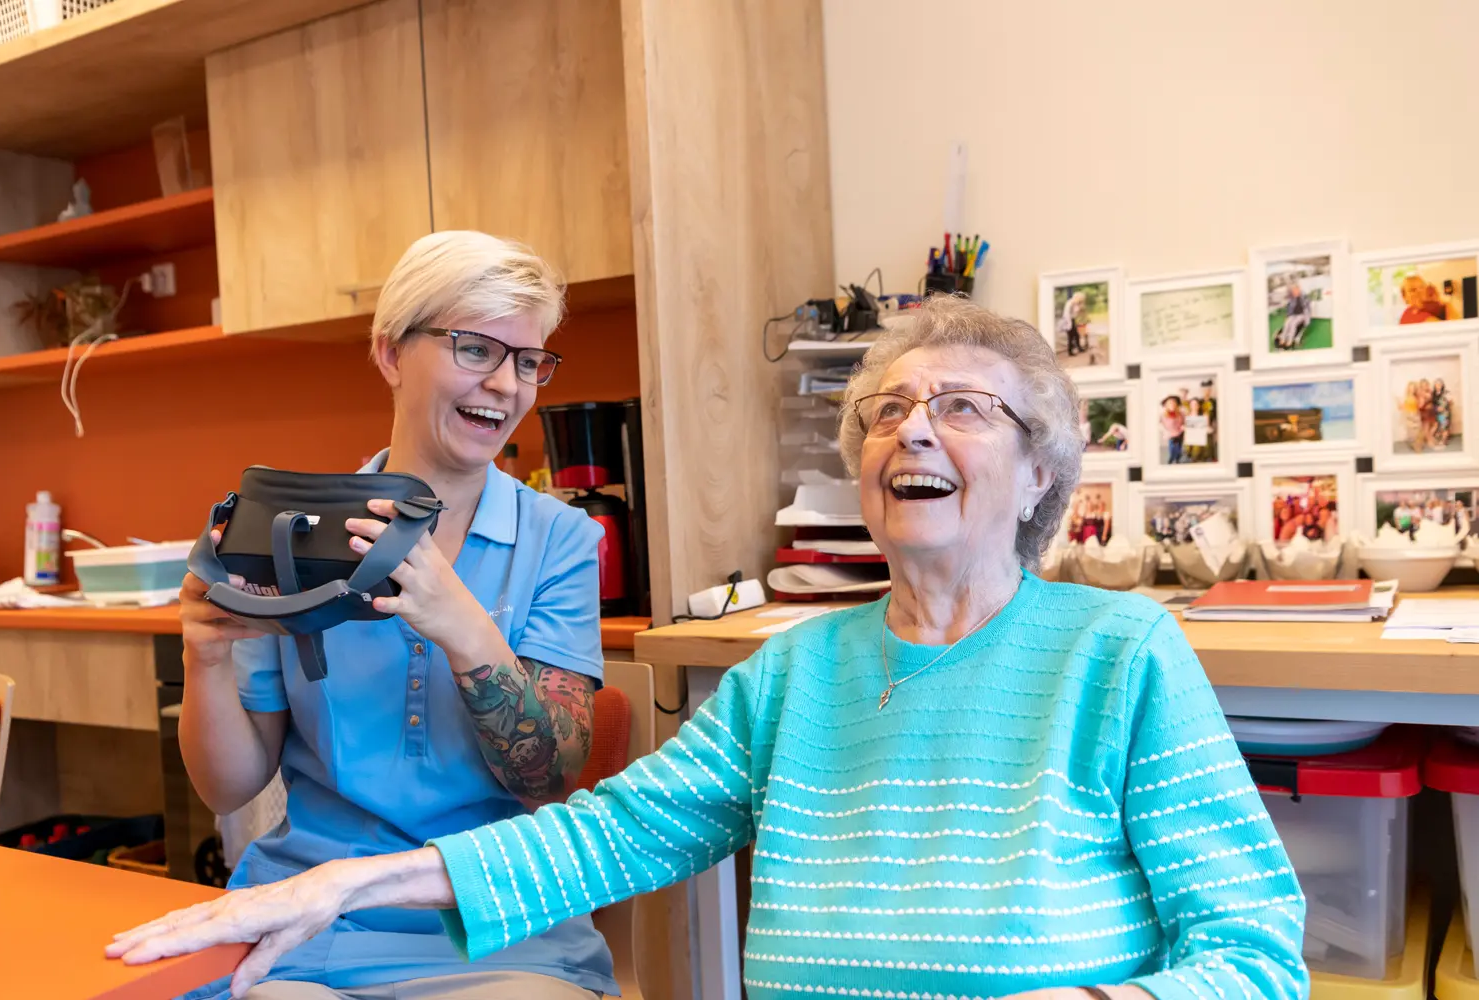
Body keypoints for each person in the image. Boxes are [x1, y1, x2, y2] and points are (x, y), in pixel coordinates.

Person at [112, 297, 1309, 1000]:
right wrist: (346, 881)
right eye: (886, 410)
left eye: (962, 406)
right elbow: (604, 834)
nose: (911, 429)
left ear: (1040, 469)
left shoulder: (1119, 651)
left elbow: (1254, 953)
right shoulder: (793, 672)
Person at [161, 232, 618, 999]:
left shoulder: (563, 542)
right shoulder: (294, 530)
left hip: (498, 926)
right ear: (389, 354)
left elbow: (550, 779)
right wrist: (203, 657)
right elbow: (228, 788)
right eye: (475, 349)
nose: (507, 384)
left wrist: (461, 623)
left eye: (529, 360)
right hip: (309, 917)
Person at [1276, 280, 1311, 349]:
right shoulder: (1292, 298)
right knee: (1287, 323)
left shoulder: (1304, 297)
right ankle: (1283, 339)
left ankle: (1290, 341)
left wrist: (1307, 320)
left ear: (1299, 290)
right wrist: (1288, 316)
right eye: (1293, 291)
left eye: (1295, 291)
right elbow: (1290, 308)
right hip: (1293, 314)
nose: (1294, 292)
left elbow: (1308, 309)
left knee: (1293, 324)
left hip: (1301, 315)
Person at [1061, 289, 1089, 356]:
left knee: (1076, 335)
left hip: (1072, 320)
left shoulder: (1075, 304)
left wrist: (1079, 306)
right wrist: (1069, 324)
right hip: (1067, 321)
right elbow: (1066, 314)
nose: (1081, 301)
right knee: (1070, 337)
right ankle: (1070, 352)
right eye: (1081, 299)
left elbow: (1076, 313)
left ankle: (1079, 348)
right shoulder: (1069, 303)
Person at [1159, 394, 1185, 463]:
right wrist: (1164, 431)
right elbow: (1159, 424)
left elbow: (1184, 422)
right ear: (1166, 405)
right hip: (1170, 435)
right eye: (1170, 403)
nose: (1172, 405)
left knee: (1179, 448)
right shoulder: (1163, 415)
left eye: (1174, 403)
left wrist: (1183, 426)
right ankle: (1171, 460)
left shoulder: (1181, 414)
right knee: (1172, 448)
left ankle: (1177, 459)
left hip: (1180, 433)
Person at [1182, 397, 1209, 462]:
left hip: (1199, 438)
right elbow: (1185, 426)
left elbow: (1207, 427)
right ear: (1190, 406)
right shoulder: (1187, 415)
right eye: (1192, 404)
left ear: (1199, 405)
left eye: (1196, 404)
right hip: (1190, 437)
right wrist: (1184, 427)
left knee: (1196, 453)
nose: (1194, 406)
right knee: (1188, 452)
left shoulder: (1204, 414)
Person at [1401, 382, 1424, 452]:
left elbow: (1419, 406)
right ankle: (1415, 445)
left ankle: (1417, 445)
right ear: (1408, 388)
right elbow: (1404, 408)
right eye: (1411, 387)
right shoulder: (1406, 397)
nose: (1412, 389)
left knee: (1418, 432)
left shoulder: (1416, 397)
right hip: (1410, 416)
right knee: (1412, 432)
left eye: (1413, 388)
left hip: (1416, 414)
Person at [1433, 378, 1453, 448]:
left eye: (1440, 384)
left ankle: (1444, 441)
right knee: (1440, 427)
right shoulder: (1433, 394)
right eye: (1437, 384)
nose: (1438, 385)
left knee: (1444, 427)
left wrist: (1445, 408)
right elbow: (1432, 404)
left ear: (1442, 385)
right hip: (1438, 414)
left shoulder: (1446, 392)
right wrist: (1436, 408)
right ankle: (1441, 439)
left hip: (1445, 413)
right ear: (1435, 385)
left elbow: (1451, 402)